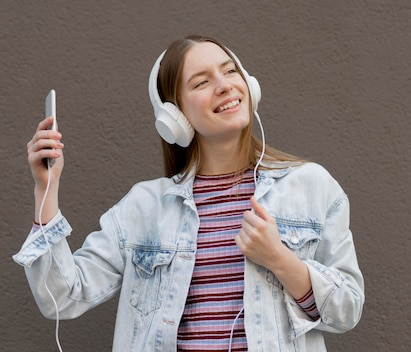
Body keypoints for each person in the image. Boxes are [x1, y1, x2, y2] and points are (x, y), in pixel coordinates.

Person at [14, 35, 364, 351]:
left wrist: (280, 259)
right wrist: (46, 190)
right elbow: (61, 297)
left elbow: (347, 309)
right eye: (202, 82)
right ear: (174, 117)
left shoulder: (311, 186)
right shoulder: (143, 208)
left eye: (229, 71)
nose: (224, 86)